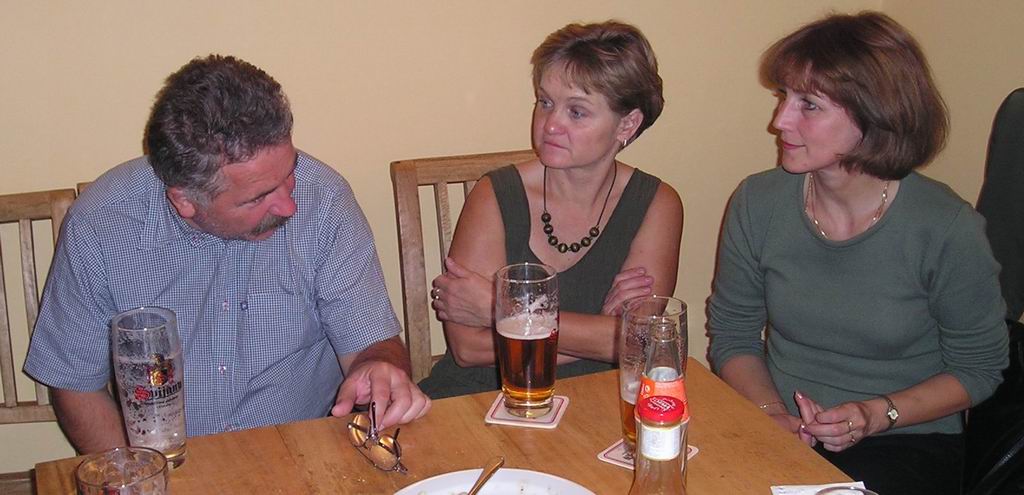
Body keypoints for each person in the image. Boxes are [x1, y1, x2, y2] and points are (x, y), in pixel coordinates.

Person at [24, 55, 430, 454]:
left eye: (289, 172)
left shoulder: (324, 200)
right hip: (168, 462)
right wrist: (139, 477)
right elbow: (75, 384)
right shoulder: (100, 224)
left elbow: (372, 346)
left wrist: (378, 369)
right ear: (185, 200)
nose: (289, 204)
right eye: (258, 197)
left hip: (305, 453)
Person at [707, 12, 1008, 495]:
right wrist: (772, 414)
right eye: (784, 97)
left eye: (809, 105)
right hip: (776, 423)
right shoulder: (758, 201)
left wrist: (875, 413)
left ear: (875, 114)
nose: (780, 121)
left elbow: (979, 368)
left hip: (903, 438)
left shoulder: (946, 228)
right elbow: (733, 333)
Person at [419, 21, 683, 398]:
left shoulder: (657, 204)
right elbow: (468, 349)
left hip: (596, 400)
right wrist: (602, 334)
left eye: (577, 112)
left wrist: (499, 308)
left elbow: (640, 345)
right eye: (545, 102)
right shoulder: (494, 193)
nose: (551, 125)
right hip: (480, 397)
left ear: (627, 124)